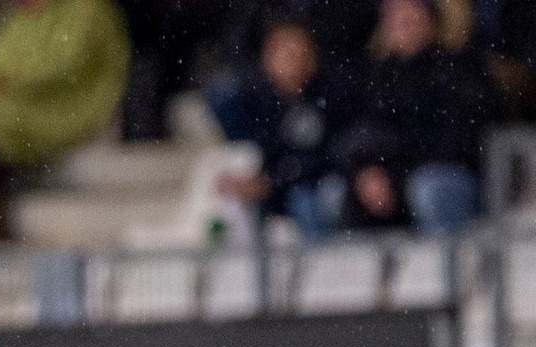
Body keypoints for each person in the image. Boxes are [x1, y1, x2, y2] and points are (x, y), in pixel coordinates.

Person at [0, 0, 129, 241]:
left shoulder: (85, 9)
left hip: (63, 105)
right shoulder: (18, 16)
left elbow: (65, 68)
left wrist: (0, 84)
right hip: (11, 99)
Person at [326, 0, 493, 235]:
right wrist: (364, 172)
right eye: (397, 18)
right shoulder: (373, 76)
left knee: (428, 188)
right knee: (332, 192)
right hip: (389, 177)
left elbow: (458, 142)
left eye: (413, 18)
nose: (405, 25)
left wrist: (396, 178)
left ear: (432, 21)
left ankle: (446, 266)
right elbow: (353, 134)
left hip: (445, 176)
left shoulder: (459, 69)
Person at [208, 18, 353, 239]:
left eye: (298, 53)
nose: (293, 62)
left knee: (311, 199)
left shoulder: (332, 96)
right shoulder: (256, 101)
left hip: (313, 189)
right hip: (275, 199)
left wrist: (274, 181)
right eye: (284, 54)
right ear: (267, 59)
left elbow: (331, 155)